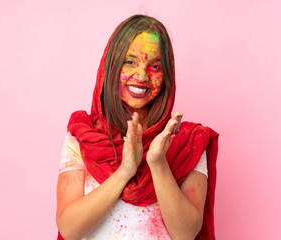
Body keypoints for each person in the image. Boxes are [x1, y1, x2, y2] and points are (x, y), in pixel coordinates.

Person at [56, 15, 219, 240]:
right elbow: (69, 229)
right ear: (111, 66)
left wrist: (158, 163)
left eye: (154, 66)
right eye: (130, 61)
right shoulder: (84, 136)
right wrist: (125, 171)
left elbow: (186, 234)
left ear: (167, 75)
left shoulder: (186, 141)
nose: (142, 75)